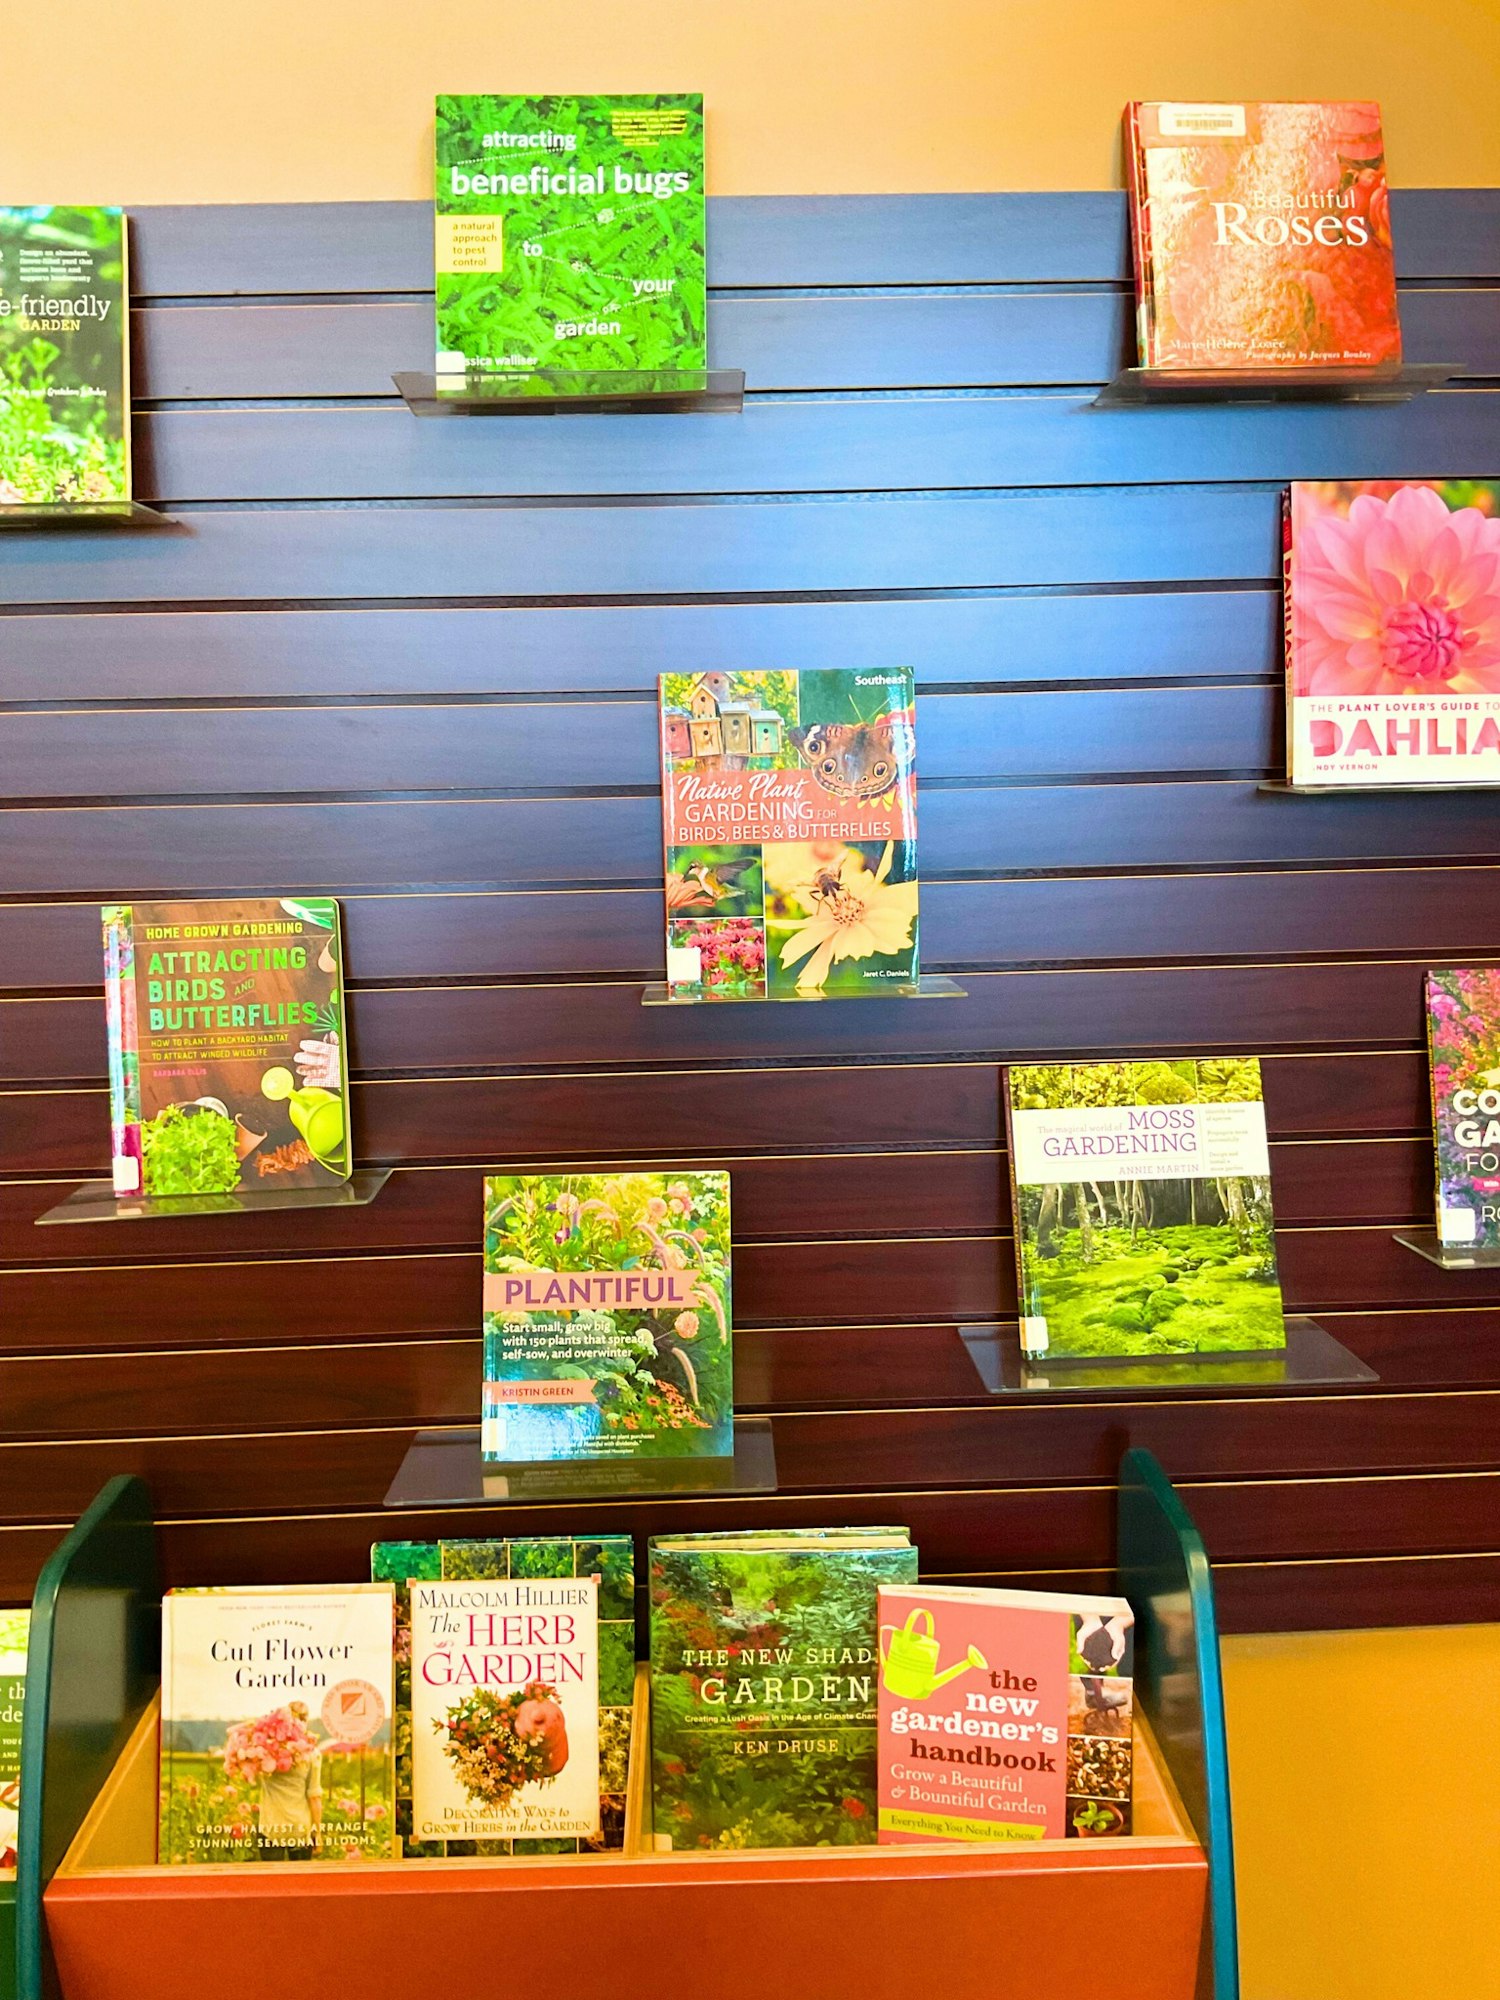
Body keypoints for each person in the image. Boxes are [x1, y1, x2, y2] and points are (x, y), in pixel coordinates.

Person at [256, 1700, 322, 1860]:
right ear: (305, 1722)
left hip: (271, 1828)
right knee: (300, 1882)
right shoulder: (312, 1754)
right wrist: (317, 1833)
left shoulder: (263, 1751)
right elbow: (314, 1797)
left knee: (271, 1882)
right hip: (299, 1828)